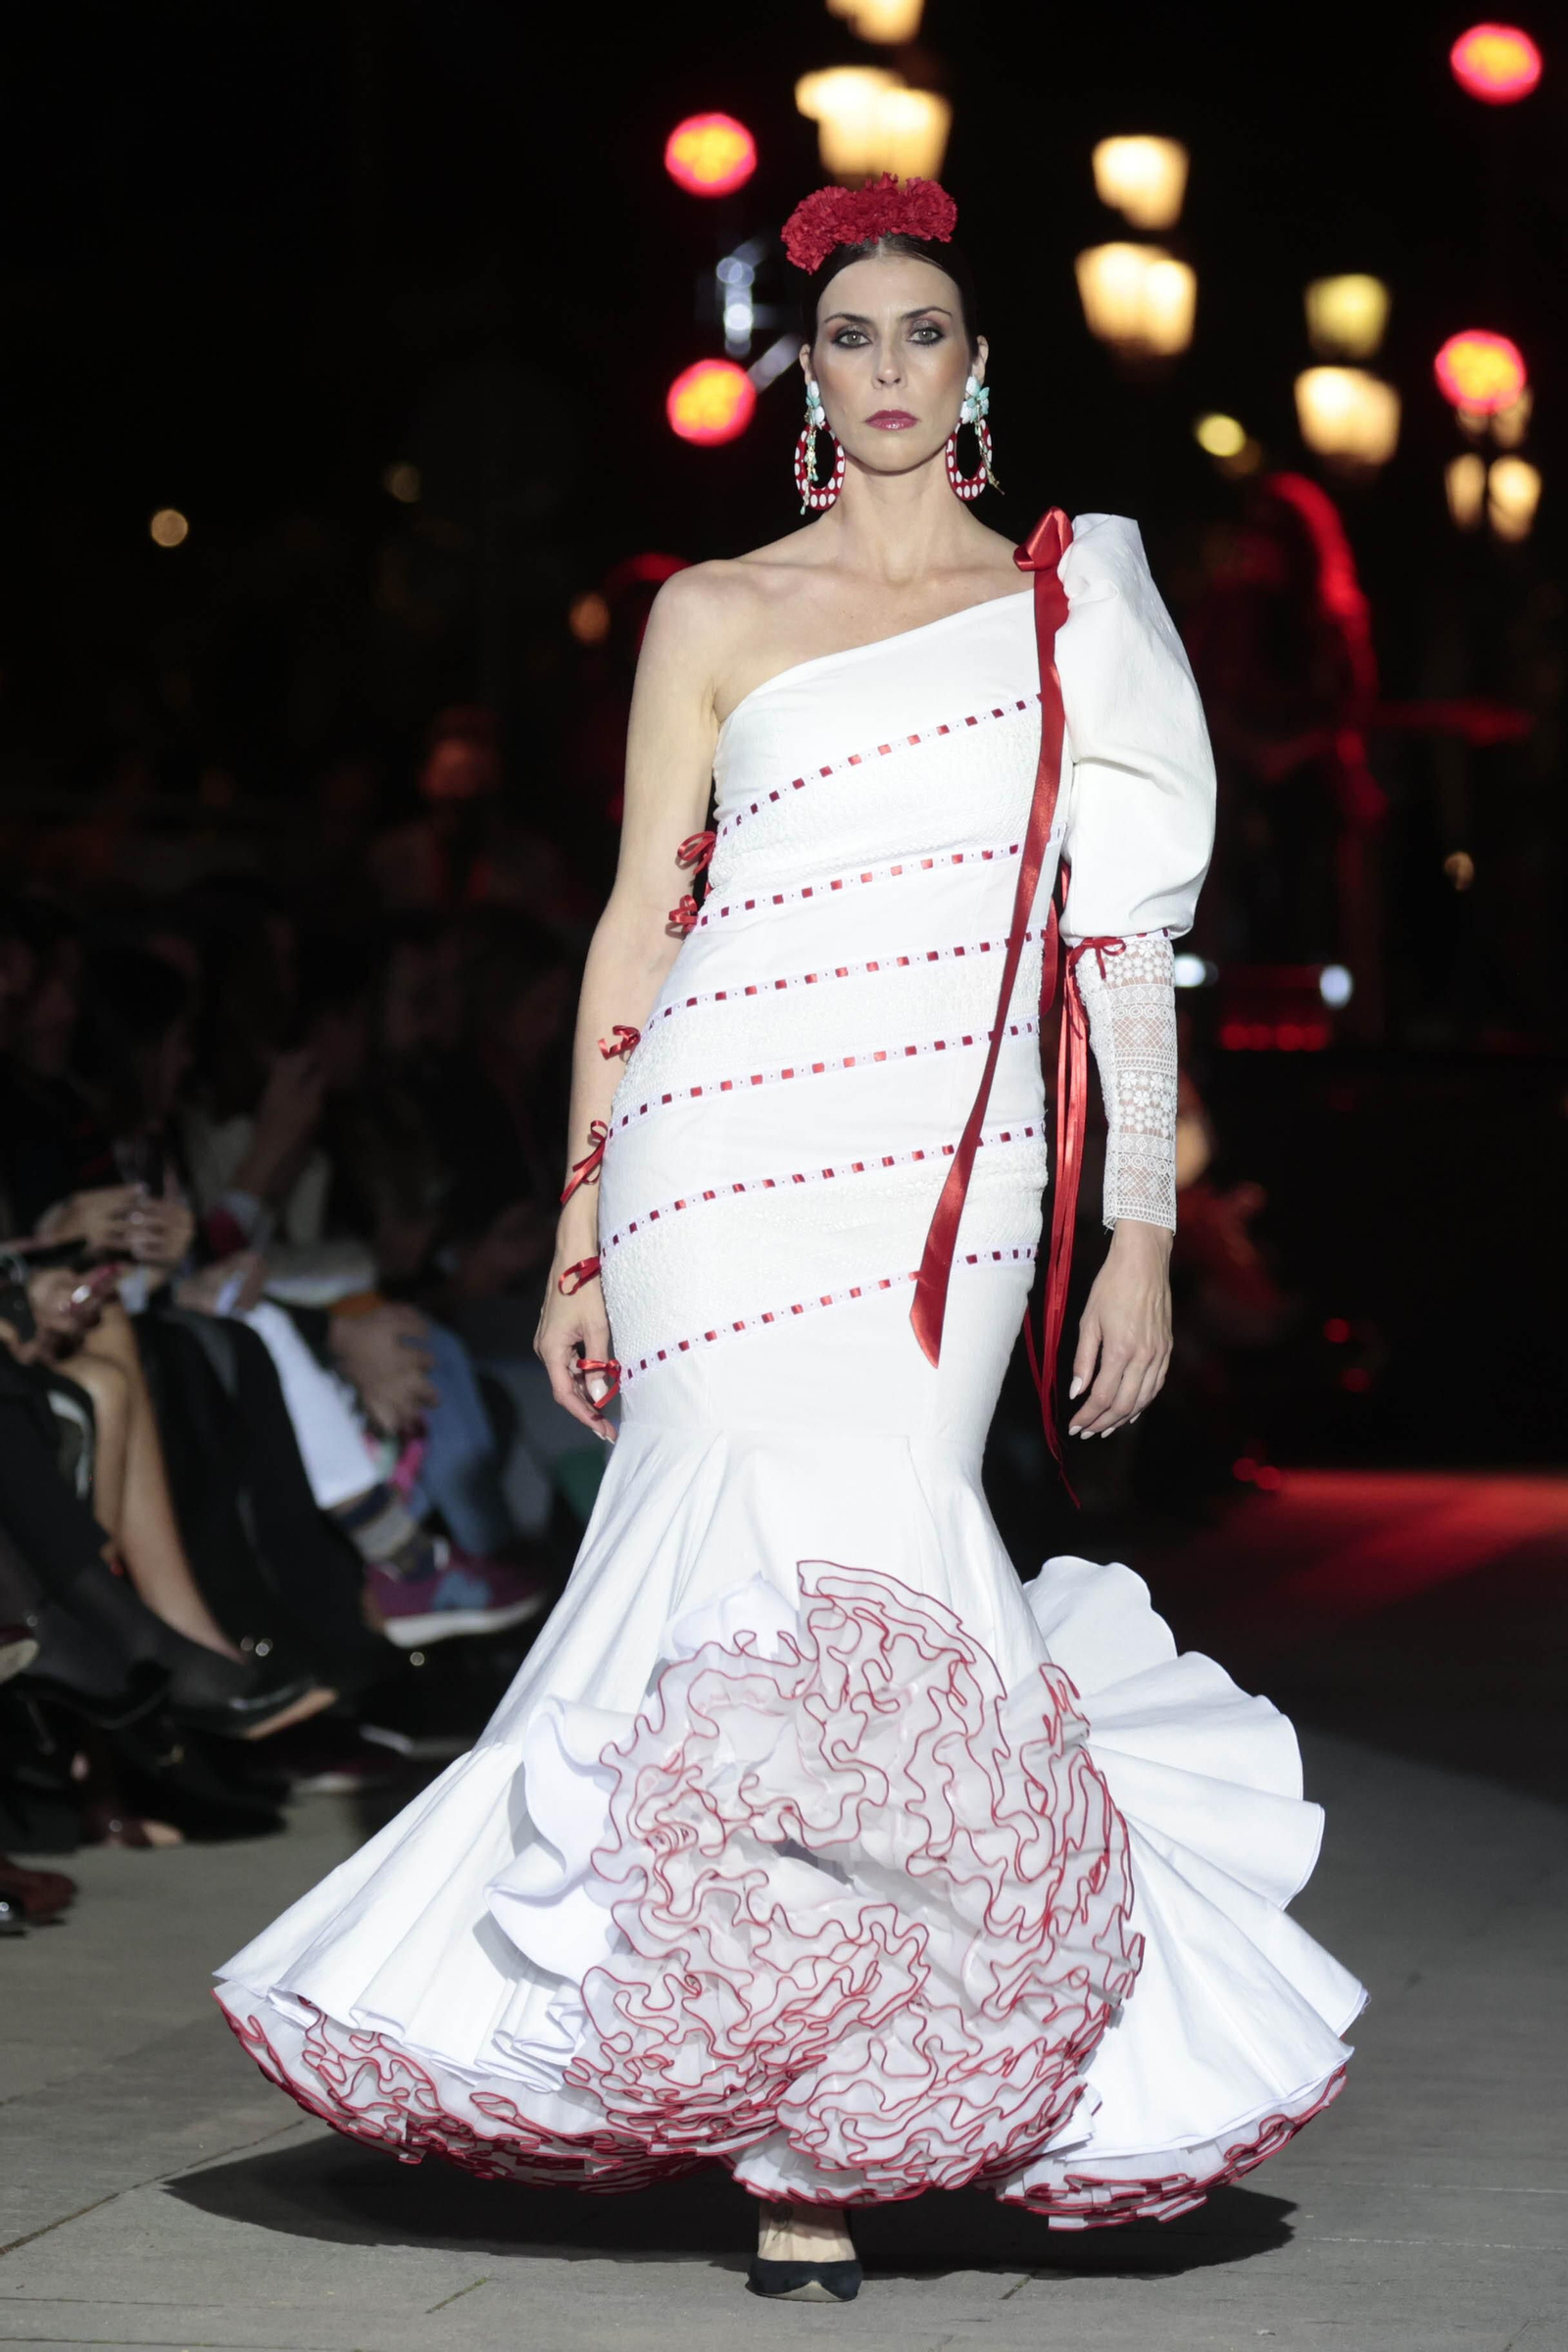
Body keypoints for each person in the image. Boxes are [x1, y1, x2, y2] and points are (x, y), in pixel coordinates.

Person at [217, 175, 1363, 2303]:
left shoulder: (1070, 606)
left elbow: (1115, 946)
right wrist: (576, 1228)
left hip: (947, 1173)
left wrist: (1133, 1234)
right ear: (808, 377)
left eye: (927, 332)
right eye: (855, 338)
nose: (894, 369)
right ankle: (761, 2109)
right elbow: (641, 914)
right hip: (708, 1157)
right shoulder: (710, 611)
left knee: (884, 1581)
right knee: (704, 1590)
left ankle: (874, 2073)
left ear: (977, 368)